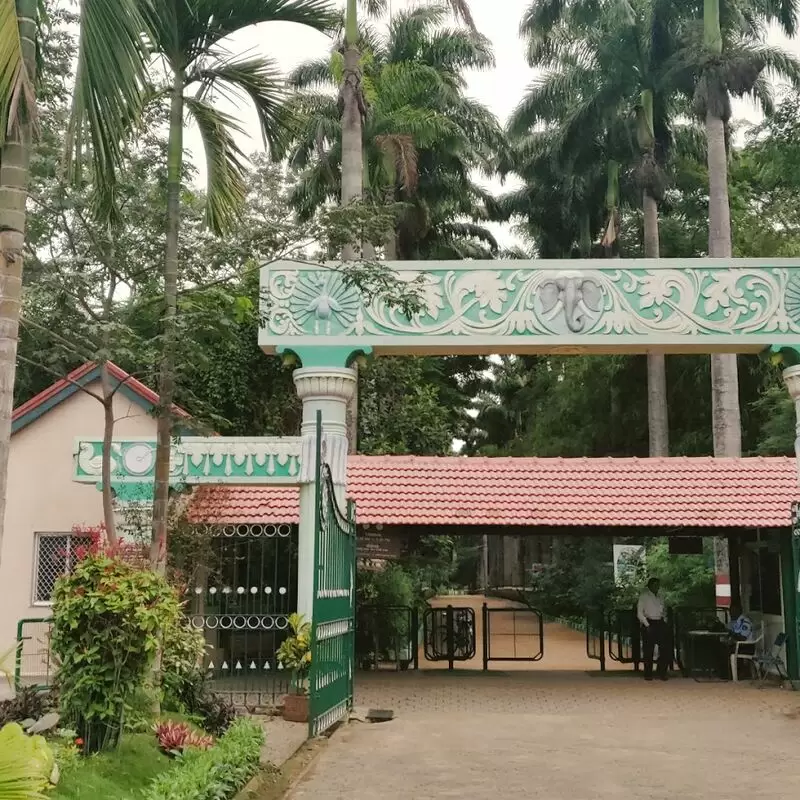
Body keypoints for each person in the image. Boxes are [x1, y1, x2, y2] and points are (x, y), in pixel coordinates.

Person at [637, 577, 669, 681]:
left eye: (658, 585)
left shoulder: (660, 596)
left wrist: (665, 620)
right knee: (648, 650)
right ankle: (648, 673)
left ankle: (662, 671)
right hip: (649, 622)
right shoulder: (644, 597)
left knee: (664, 648)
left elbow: (663, 610)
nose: (657, 587)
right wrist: (646, 625)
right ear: (650, 585)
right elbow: (639, 613)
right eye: (655, 585)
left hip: (659, 622)